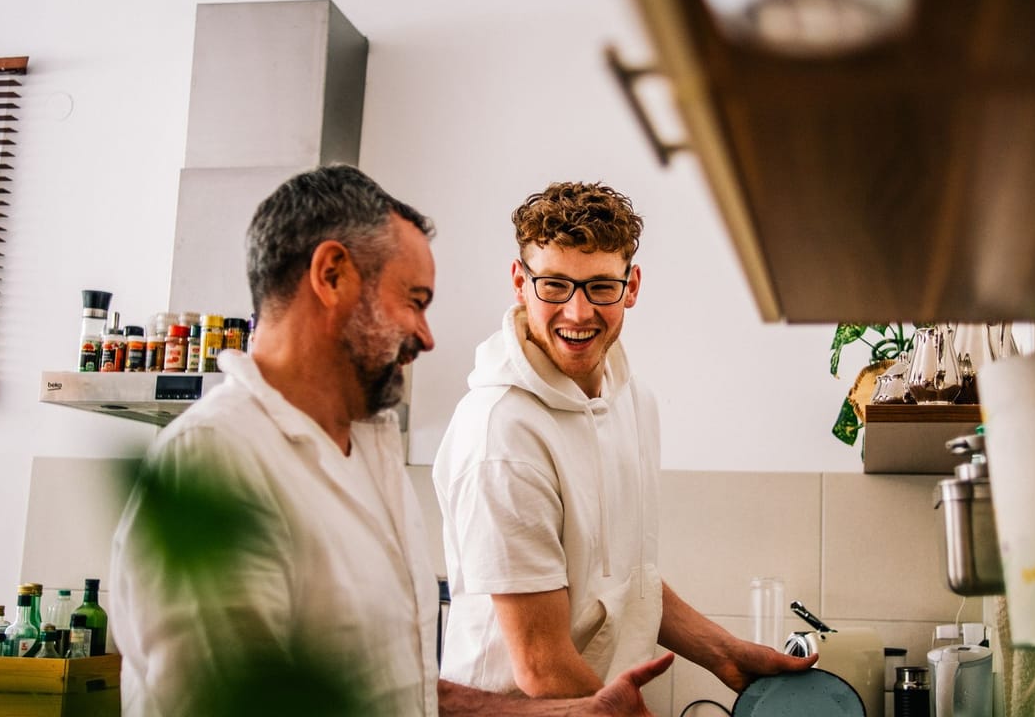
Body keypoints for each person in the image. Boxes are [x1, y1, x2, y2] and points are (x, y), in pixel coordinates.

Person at [110, 165, 672, 717]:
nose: (426, 336)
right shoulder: (216, 466)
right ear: (331, 275)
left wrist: (578, 713)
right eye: (415, 300)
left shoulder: (369, 446)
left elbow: (403, 691)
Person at [434, 182, 813, 700]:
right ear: (519, 282)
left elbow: (625, 584)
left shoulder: (634, 402)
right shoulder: (501, 432)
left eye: (600, 287)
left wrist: (725, 653)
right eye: (554, 285)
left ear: (631, 286)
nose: (577, 312)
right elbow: (541, 665)